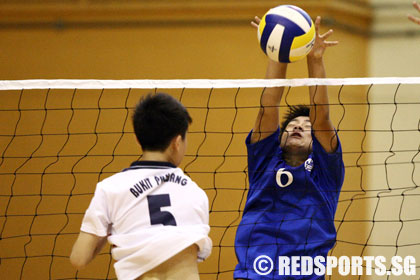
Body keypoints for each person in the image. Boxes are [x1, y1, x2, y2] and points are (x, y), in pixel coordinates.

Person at [234, 16, 344, 279]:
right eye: (292, 124)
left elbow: (322, 117)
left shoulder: (326, 173)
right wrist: (277, 51)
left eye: (305, 126)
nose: (297, 127)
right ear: (280, 137)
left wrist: (314, 59)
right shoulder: (264, 163)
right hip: (254, 274)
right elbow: (268, 107)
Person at [70, 93, 212, 280]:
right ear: (177, 142)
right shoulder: (196, 194)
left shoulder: (110, 189)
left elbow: (79, 259)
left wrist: (107, 230)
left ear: (138, 139)